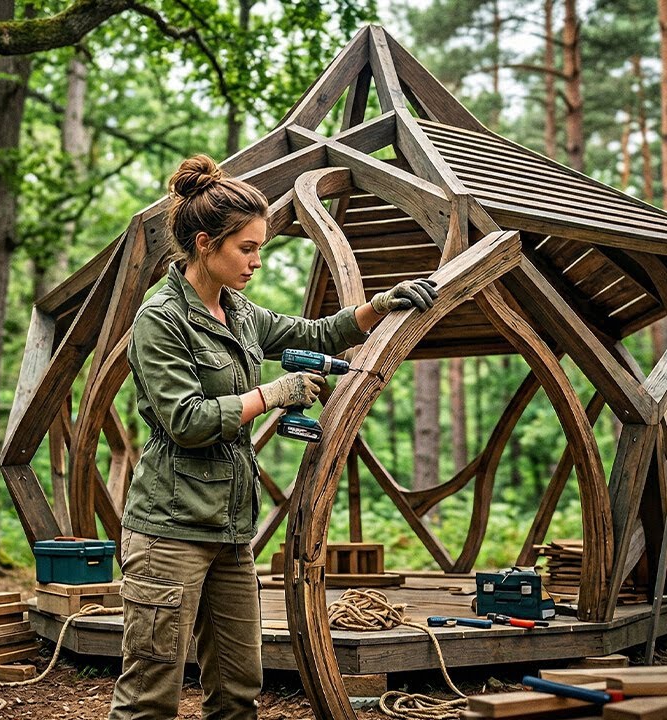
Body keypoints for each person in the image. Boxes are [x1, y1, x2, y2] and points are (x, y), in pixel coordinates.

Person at [107, 154, 437, 720]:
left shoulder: (238, 311)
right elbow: (185, 421)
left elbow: (313, 332)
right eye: (247, 248)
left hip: (232, 530)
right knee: (150, 694)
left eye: (261, 248)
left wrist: (378, 306)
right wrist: (273, 395)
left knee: (239, 687)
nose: (257, 261)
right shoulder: (159, 319)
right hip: (169, 533)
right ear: (206, 243)